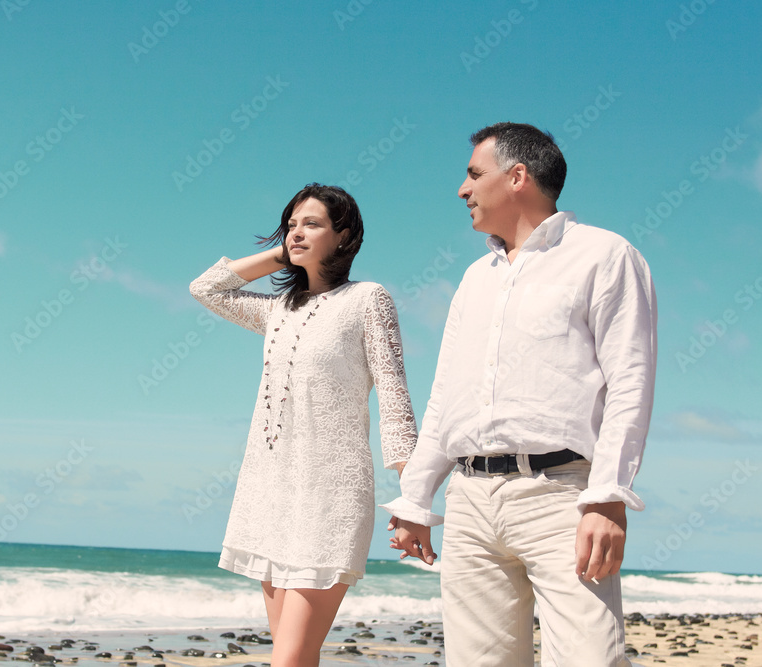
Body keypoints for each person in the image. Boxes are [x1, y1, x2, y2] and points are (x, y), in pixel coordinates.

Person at [383, 123, 657, 667]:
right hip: (470, 503)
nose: (462, 190)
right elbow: (446, 399)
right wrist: (416, 497)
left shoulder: (605, 255)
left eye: (473, 174)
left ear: (517, 177)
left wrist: (607, 496)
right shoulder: (472, 278)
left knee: (590, 660)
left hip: (561, 497)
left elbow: (631, 380)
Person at [190, 183, 417, 667]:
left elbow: (395, 397)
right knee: (296, 657)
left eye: (311, 224)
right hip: (269, 492)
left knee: (288, 659)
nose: (296, 233)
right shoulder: (278, 311)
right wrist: (285, 254)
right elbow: (205, 288)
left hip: (329, 496)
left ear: (345, 235)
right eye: (290, 224)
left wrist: (412, 496)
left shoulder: (368, 299)